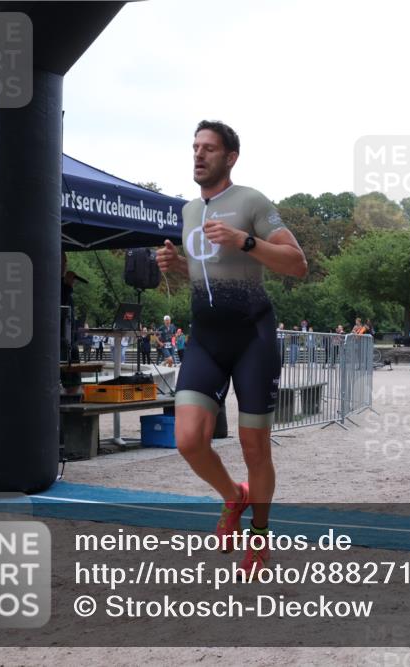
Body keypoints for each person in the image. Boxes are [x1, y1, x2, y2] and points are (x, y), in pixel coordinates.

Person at [156, 120, 308, 574]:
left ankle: (260, 535)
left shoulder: (252, 202)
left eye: (208, 148)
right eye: (194, 147)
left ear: (230, 157)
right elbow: (207, 271)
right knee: (188, 440)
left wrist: (245, 240)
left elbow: (297, 264)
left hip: (251, 336)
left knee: (253, 447)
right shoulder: (187, 211)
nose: (198, 155)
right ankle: (233, 497)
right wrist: (177, 266)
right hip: (205, 337)